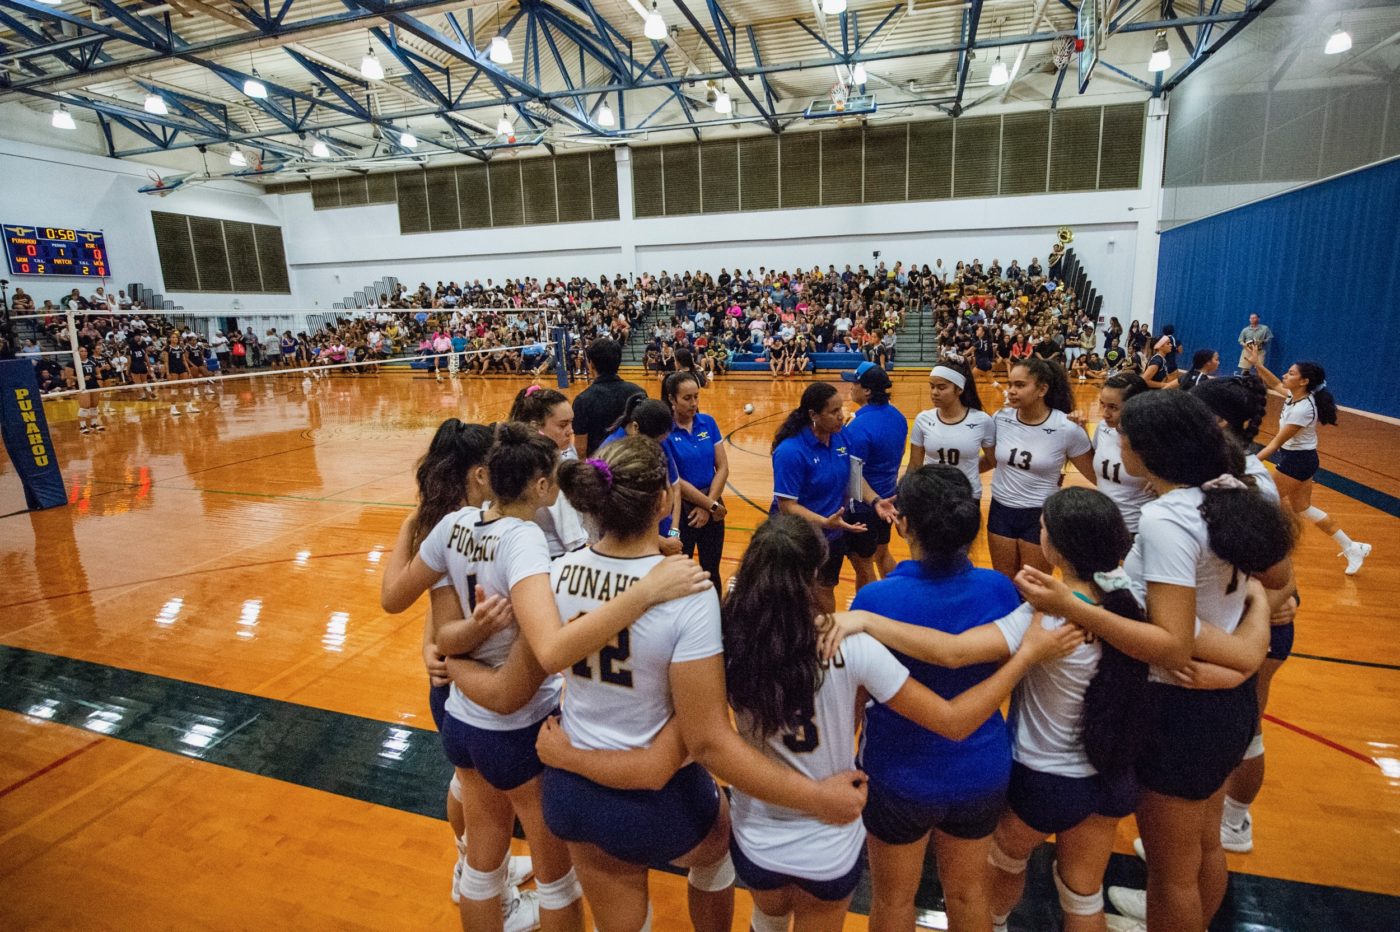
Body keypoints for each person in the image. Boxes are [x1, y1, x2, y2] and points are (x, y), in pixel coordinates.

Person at [529, 438, 871, 932]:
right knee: (717, 855)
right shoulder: (687, 590)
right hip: (661, 799)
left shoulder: (557, 573)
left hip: (575, 788)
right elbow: (707, 738)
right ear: (663, 501)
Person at [380, 426, 708, 932]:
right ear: (539, 487)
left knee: (480, 864)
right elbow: (549, 650)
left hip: (458, 715)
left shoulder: (453, 524)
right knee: (557, 881)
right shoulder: (529, 542)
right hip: (516, 725)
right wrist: (642, 593)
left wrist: (450, 652)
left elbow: (416, 613)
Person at [715, 514, 1077, 932]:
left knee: (768, 920)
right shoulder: (852, 646)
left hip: (756, 832)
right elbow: (952, 720)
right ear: (817, 574)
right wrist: (1027, 656)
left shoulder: (724, 642)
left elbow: (708, 737)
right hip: (828, 837)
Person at [1016, 390, 1293, 932]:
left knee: (1173, 875)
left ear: (1147, 449)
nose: (1115, 440)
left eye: (1122, 435)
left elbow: (1168, 644)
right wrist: (1247, 638)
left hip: (1180, 709)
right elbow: (1276, 585)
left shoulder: (1169, 518)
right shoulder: (1238, 488)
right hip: (1225, 704)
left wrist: (1067, 605)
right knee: (1203, 844)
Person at [847, 466, 1052, 932]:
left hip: (898, 774)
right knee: (967, 892)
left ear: (901, 523)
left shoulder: (874, 602)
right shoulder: (1002, 589)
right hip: (981, 769)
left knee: (894, 900)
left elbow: (854, 701)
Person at [388, 419, 536, 907]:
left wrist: (432, 645)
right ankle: (479, 876)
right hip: (474, 681)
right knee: (490, 795)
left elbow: (422, 607)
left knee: (467, 781)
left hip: (453, 677)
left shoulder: (442, 520)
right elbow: (409, 602)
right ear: (479, 474)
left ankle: (470, 863)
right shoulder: (465, 525)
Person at [771, 382, 896, 615]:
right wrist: (823, 521)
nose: (842, 416)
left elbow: (853, 478)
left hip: (832, 534)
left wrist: (876, 501)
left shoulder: (841, 437)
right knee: (795, 594)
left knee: (825, 589)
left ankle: (825, 642)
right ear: (813, 415)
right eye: (834, 411)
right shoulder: (790, 452)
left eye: (842, 409)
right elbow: (787, 506)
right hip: (796, 537)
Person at [1246, 349, 1371, 575]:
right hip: (1302, 460)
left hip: (1298, 462)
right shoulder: (1296, 396)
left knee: (1263, 499)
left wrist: (1247, 463)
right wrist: (1257, 364)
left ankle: (1263, 551)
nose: (1285, 375)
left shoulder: (1303, 409)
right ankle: (1352, 547)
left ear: (1304, 381)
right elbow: (1274, 384)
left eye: (1291, 373)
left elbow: (1274, 445)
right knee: (1302, 508)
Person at [987, 358, 1095, 578]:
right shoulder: (1000, 418)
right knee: (1004, 581)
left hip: (1039, 515)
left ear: (1042, 389)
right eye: (1010, 384)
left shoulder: (1066, 428)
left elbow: (1097, 475)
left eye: (1020, 385)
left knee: (1034, 587)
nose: (1011, 391)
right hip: (1000, 510)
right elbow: (989, 460)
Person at [840, 362, 908, 589]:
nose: (851, 387)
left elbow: (854, 479)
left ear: (867, 390)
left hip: (865, 506)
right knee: (882, 554)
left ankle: (872, 612)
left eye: (855, 382)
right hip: (888, 498)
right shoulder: (898, 416)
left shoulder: (859, 427)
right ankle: (901, 598)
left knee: (863, 565)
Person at [662, 371, 729, 590]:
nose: (693, 403)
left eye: (696, 397)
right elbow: (676, 480)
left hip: (713, 503)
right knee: (680, 574)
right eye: (687, 398)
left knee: (712, 571)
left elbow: (722, 467)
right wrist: (707, 505)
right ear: (671, 399)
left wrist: (709, 505)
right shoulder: (665, 433)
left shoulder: (707, 423)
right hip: (682, 512)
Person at [510, 386, 589, 558]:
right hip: (555, 555)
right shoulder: (550, 467)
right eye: (563, 425)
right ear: (535, 426)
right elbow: (573, 538)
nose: (571, 430)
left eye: (571, 422)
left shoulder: (512, 455)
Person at [599, 396, 683, 554]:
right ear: (636, 427)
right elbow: (611, 514)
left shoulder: (660, 440)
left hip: (663, 539)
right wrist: (660, 541)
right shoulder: (611, 452)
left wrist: (673, 533)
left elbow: (675, 489)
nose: (657, 446)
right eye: (655, 442)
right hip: (629, 546)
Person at [907, 360, 995, 501]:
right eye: (932, 386)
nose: (934, 392)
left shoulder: (982, 420)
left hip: (967, 496)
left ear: (959, 389)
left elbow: (992, 460)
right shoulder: (923, 419)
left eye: (941, 387)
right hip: (932, 496)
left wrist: (962, 473)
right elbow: (914, 464)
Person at [1089, 373, 1154, 534]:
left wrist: (1169, 478)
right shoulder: (1104, 427)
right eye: (1102, 404)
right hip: (1102, 526)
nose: (1105, 413)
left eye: (1113, 407)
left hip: (1137, 531)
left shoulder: (1156, 439)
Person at [572, 338, 645, 456]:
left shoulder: (582, 400)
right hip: (633, 463)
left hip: (601, 467)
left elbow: (581, 449)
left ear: (591, 364)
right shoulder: (638, 392)